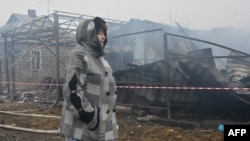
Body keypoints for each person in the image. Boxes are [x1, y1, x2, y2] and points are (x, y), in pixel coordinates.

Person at [60, 17, 118, 141]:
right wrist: (91, 117)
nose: (103, 37)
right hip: (83, 131)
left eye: (104, 34)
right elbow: (72, 89)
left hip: (104, 131)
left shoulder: (102, 59)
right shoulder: (80, 54)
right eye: (98, 33)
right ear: (88, 34)